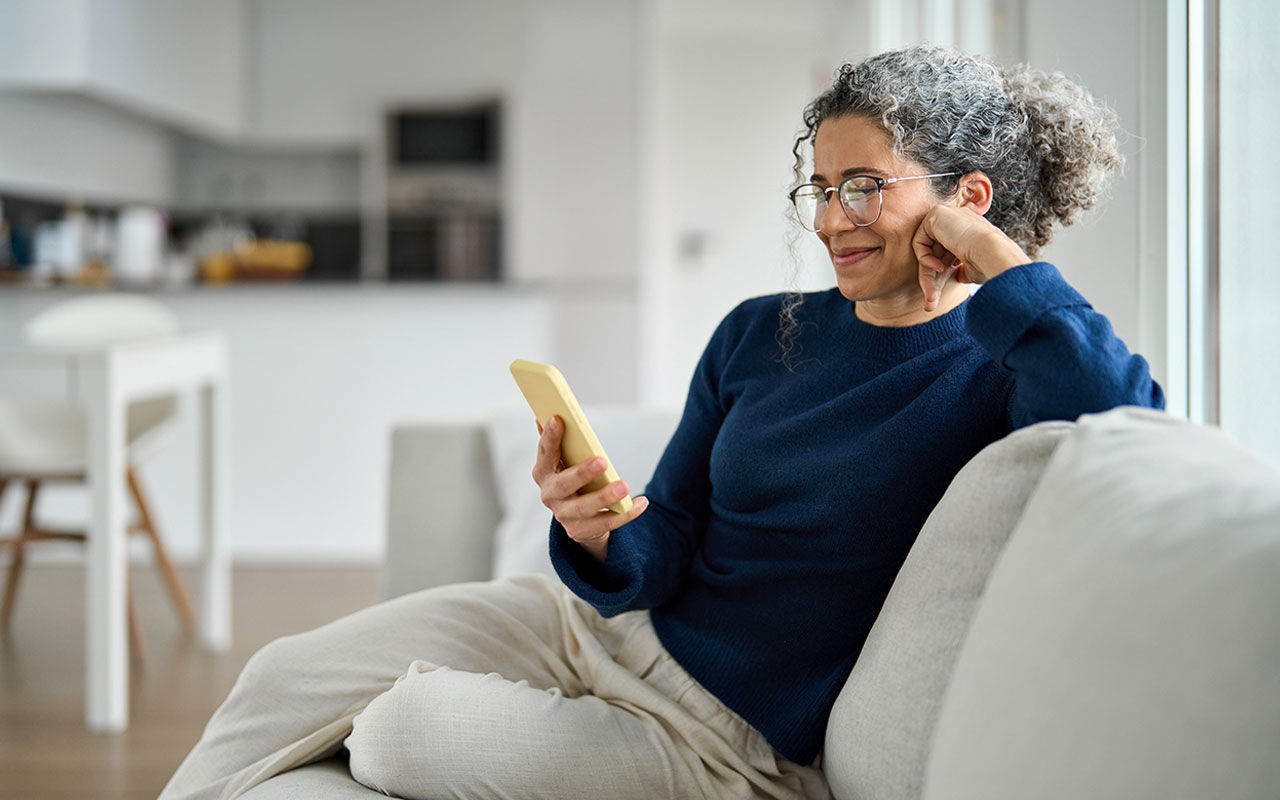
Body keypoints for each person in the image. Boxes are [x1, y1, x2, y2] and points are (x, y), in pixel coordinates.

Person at [160, 45, 1163, 800]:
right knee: (283, 671)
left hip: (721, 741)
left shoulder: (998, 369)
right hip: (595, 627)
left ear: (967, 201)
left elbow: (1128, 418)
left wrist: (996, 260)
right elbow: (671, 528)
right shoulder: (757, 332)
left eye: (863, 188)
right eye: (820, 187)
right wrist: (599, 529)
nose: (828, 219)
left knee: (398, 734)